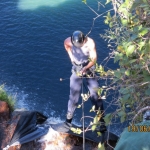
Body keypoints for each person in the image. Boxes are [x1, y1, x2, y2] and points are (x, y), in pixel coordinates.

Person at [64, 30, 106, 132]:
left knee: (95, 95)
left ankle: (101, 123)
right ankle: (68, 121)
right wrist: (71, 58)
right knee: (73, 95)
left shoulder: (90, 43)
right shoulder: (68, 41)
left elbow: (94, 59)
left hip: (89, 68)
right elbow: (67, 46)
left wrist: (85, 68)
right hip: (77, 68)